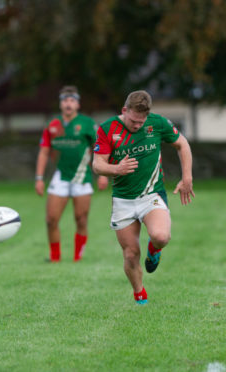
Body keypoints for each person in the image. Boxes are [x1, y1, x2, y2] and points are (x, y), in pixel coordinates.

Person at [92, 90, 194, 305]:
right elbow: (97, 164)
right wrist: (117, 169)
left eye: (141, 122)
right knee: (130, 254)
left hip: (152, 195)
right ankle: (140, 296)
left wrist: (187, 178)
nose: (137, 126)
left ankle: (154, 250)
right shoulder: (108, 128)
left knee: (161, 236)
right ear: (124, 110)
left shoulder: (157, 124)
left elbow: (182, 144)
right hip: (123, 200)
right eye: (133, 121)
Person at [35, 86, 108, 262]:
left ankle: (78, 257)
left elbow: (100, 148)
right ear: (60, 104)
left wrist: (103, 173)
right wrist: (39, 178)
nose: (68, 104)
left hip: (82, 176)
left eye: (72, 100)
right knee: (51, 219)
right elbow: (44, 152)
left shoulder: (87, 124)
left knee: (81, 219)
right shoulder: (52, 125)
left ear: (77, 104)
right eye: (65, 100)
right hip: (60, 176)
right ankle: (55, 257)